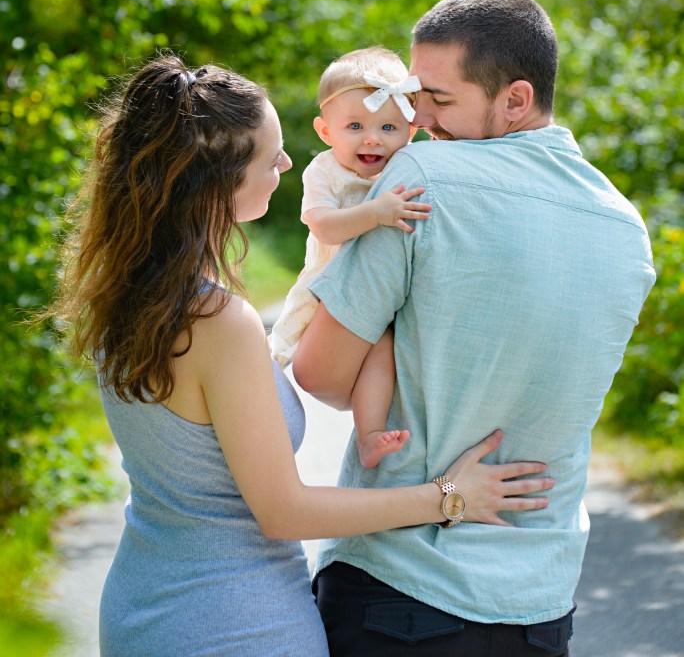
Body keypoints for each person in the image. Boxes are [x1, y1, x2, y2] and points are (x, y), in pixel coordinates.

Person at [50, 54, 555, 657]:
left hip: (141, 610)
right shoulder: (216, 320)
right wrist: (450, 497)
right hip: (237, 623)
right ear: (220, 177)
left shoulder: (128, 294)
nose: (288, 164)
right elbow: (283, 512)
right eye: (272, 155)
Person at [293, 0, 656, 657]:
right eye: (414, 96)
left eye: (440, 99)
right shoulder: (626, 229)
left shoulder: (420, 180)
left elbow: (317, 371)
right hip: (539, 603)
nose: (417, 119)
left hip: (400, 589)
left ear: (515, 99)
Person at [270, 46, 431, 468]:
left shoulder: (409, 166)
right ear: (326, 132)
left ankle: (373, 432)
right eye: (355, 125)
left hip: (387, 289)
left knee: (387, 350)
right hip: (329, 282)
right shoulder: (324, 171)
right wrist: (375, 214)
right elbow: (324, 226)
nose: (372, 138)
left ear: (411, 132)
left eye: (389, 126)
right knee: (298, 342)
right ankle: (362, 432)